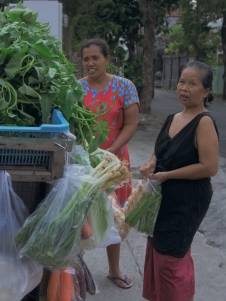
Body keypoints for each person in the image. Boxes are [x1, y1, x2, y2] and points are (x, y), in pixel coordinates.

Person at [139, 61, 219, 301]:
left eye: (192, 84)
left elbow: (209, 167)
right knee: (158, 248)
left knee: (171, 256)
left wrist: (168, 175)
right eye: (182, 82)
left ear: (206, 91)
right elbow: (161, 151)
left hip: (187, 200)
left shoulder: (203, 122)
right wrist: (152, 162)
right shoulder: (173, 117)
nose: (184, 88)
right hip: (162, 198)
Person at [78, 38, 139, 289]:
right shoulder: (76, 88)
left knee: (116, 216)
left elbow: (131, 124)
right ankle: (74, 270)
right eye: (85, 59)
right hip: (85, 161)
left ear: (107, 59)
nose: (90, 63)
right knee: (80, 217)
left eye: (95, 58)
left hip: (115, 164)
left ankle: (114, 269)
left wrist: (111, 150)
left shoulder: (124, 87)